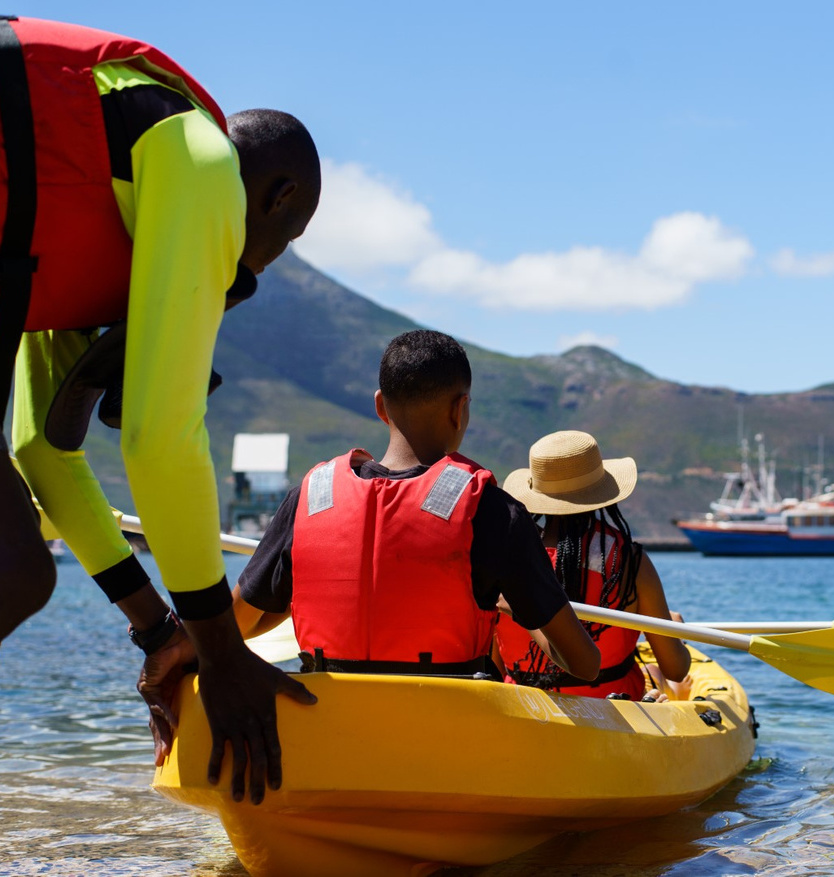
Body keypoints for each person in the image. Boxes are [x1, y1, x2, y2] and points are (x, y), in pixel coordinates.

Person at [0, 16, 321, 804]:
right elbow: (157, 439)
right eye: (286, 238)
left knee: (15, 568)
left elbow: (43, 453)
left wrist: (160, 631)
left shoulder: (85, 205)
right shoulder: (198, 159)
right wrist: (220, 651)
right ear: (277, 199)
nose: (264, 267)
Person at [231, 330, 600, 688]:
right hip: (443, 734)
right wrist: (522, 611)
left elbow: (235, 624)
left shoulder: (309, 498)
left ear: (380, 406)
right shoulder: (494, 513)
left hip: (326, 729)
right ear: (460, 410)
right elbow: (583, 663)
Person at [496, 430, 692, 702]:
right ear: (602, 493)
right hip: (614, 706)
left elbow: (495, 657)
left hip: (523, 705)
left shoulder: (504, 558)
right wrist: (676, 633)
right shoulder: (631, 562)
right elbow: (676, 669)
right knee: (659, 674)